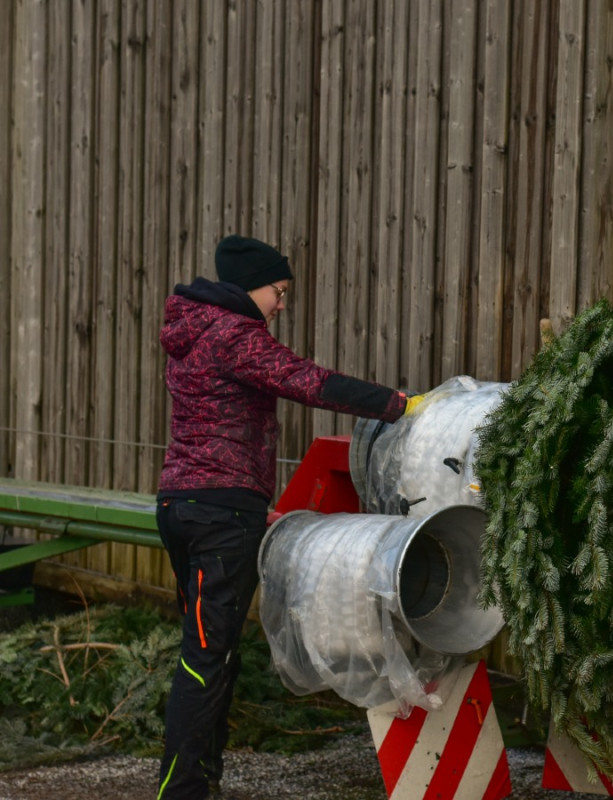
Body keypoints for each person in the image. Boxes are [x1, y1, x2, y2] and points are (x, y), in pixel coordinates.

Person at [155, 235, 416, 800]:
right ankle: (181, 793)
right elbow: (309, 382)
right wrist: (397, 405)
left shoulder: (193, 331)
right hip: (222, 514)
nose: (280, 305)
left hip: (184, 504)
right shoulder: (234, 335)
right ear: (251, 287)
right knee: (206, 658)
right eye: (279, 292)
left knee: (210, 651)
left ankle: (201, 782)